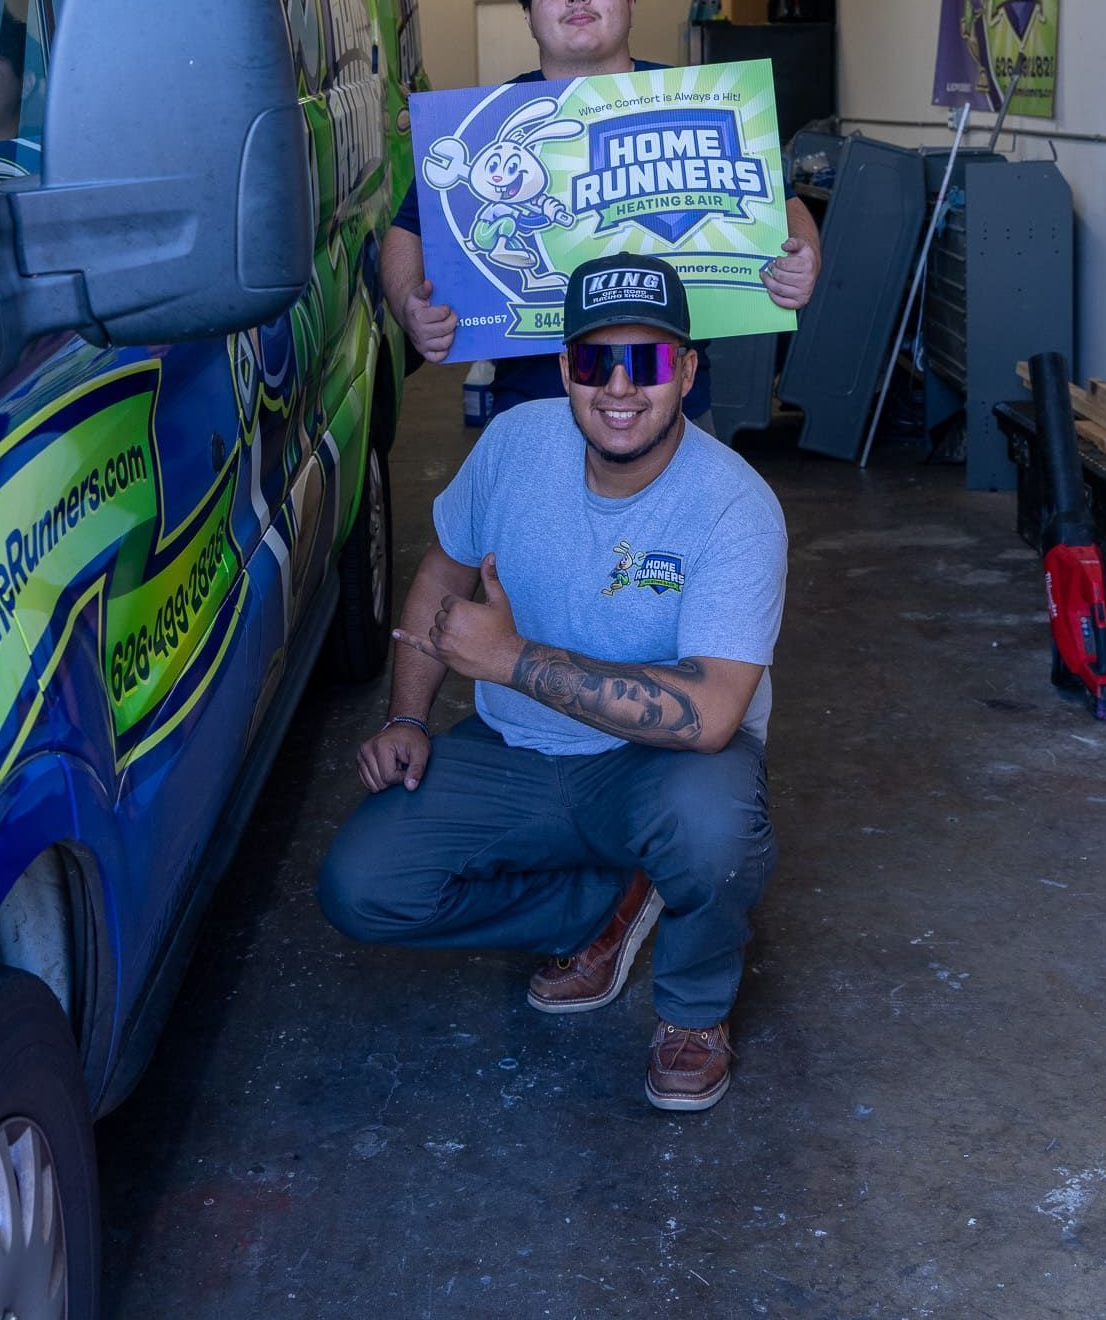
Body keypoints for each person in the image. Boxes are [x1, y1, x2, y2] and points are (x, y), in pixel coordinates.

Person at [318, 253, 786, 1111]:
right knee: (365, 887)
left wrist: (509, 659)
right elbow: (441, 574)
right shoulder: (513, 444)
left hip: (655, 765)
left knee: (713, 830)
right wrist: (407, 718)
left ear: (686, 373)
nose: (619, 387)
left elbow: (715, 712)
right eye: (593, 362)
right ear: (565, 368)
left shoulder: (734, 506)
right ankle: (600, 906)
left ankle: (691, 1013)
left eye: (646, 361)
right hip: (514, 750)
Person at [379, 0, 821, 420]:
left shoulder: (697, 98)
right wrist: (408, 304)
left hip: (674, 411)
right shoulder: (481, 122)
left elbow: (785, 203)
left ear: (630, 3)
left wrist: (803, 254)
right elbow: (407, 231)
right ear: (528, 17)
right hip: (533, 411)